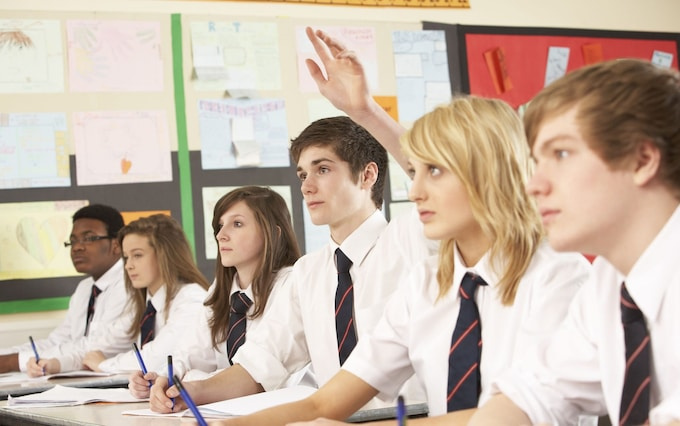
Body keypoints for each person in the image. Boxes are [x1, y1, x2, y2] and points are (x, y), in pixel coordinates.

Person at [205, 93, 591, 426]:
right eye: (416, 172)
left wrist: (365, 109)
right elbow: (325, 402)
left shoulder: (559, 275)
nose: (417, 191)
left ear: (486, 172)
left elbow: (518, 412)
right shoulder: (427, 283)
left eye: (434, 171)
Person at [149, 115, 426, 413]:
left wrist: (364, 109)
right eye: (303, 175)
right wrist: (191, 391)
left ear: (367, 175)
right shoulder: (308, 272)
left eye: (322, 169)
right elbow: (263, 361)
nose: (307, 187)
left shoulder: (410, 239)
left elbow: (447, 175)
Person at [468, 59, 680, 425]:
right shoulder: (610, 282)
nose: (534, 185)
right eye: (536, 160)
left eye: (561, 154)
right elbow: (535, 392)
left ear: (642, 159)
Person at [128, 186, 302, 399]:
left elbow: (261, 372)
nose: (221, 235)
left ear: (272, 233)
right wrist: (163, 379)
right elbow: (190, 353)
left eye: (237, 224)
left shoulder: (294, 284)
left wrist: (195, 381)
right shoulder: (221, 290)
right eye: (220, 226)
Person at [29, 213, 210, 376]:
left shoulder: (191, 299)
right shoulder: (145, 305)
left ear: (165, 255)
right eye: (126, 257)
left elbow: (157, 357)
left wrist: (105, 365)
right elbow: (103, 344)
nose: (128, 265)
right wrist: (57, 364)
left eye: (137, 255)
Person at [0, 204, 126, 375]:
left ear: (117, 245)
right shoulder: (85, 288)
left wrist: (12, 362)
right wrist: (6, 356)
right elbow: (59, 340)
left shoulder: (129, 284)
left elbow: (98, 347)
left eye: (88, 238)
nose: (77, 247)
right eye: (73, 241)